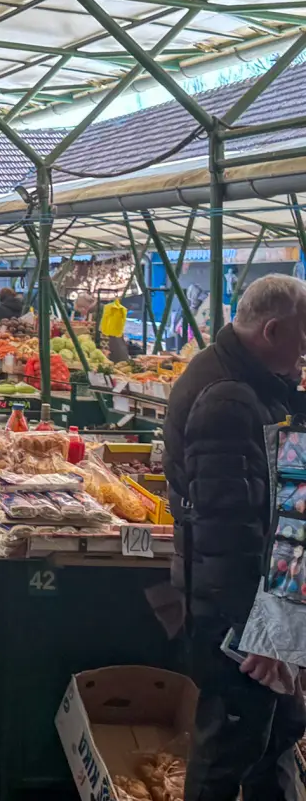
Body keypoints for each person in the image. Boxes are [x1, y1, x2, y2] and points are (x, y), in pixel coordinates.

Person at [165, 274, 306, 801]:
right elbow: (228, 532)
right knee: (231, 747)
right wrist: (262, 631)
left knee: (274, 735)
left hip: (260, 604)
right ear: (272, 331)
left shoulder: (251, 385)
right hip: (235, 612)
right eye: (304, 337)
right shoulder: (227, 400)